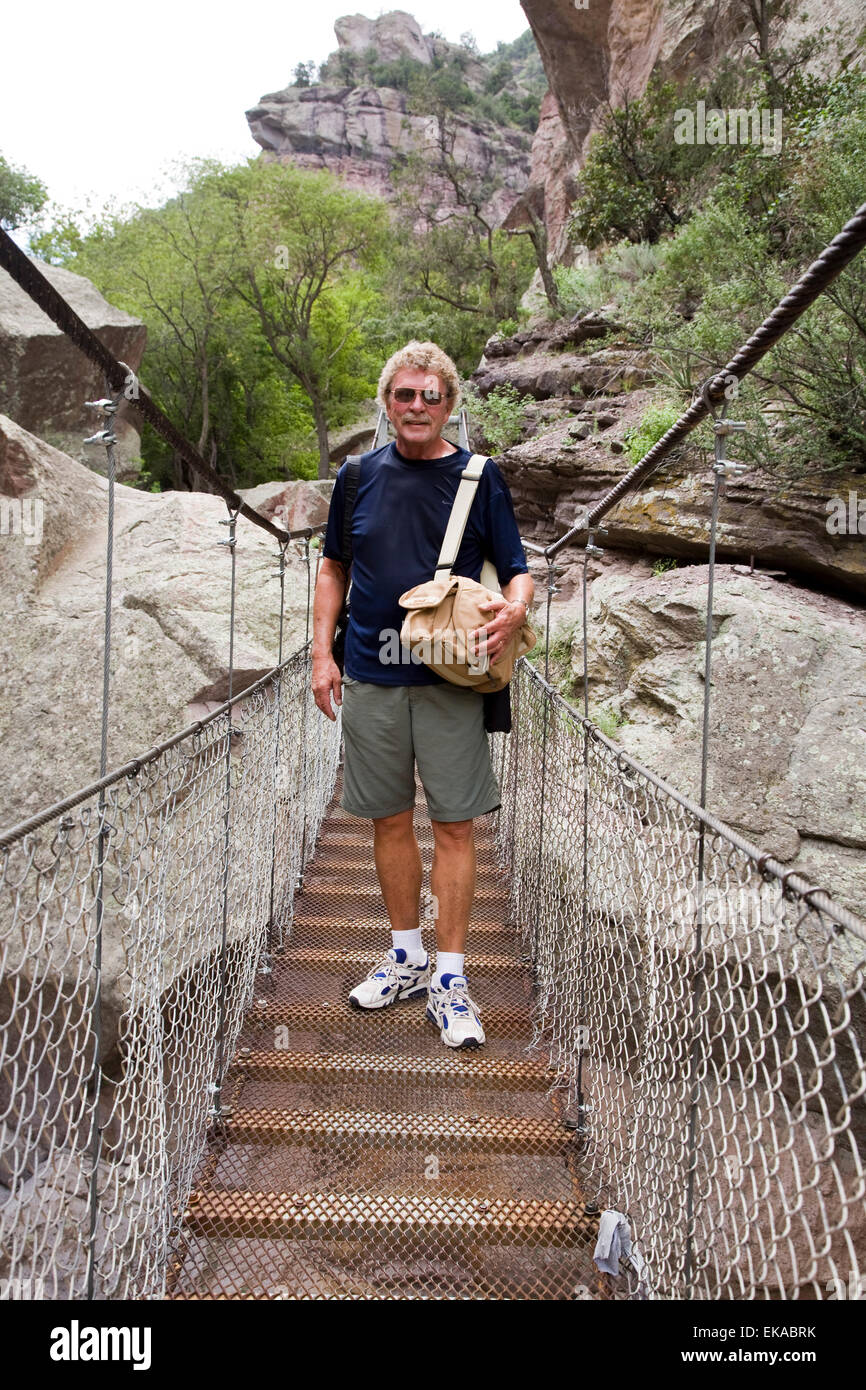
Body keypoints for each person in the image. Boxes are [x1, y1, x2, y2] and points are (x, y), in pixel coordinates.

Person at [311, 341, 534, 1049]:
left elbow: (521, 569)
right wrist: (322, 653)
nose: (416, 407)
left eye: (430, 397)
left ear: (450, 404)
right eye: (404, 395)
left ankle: (450, 976)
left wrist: (518, 608)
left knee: (457, 826)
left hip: (449, 678)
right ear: (387, 402)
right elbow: (333, 568)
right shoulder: (356, 477)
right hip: (372, 675)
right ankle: (406, 955)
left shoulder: (479, 475)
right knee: (387, 819)